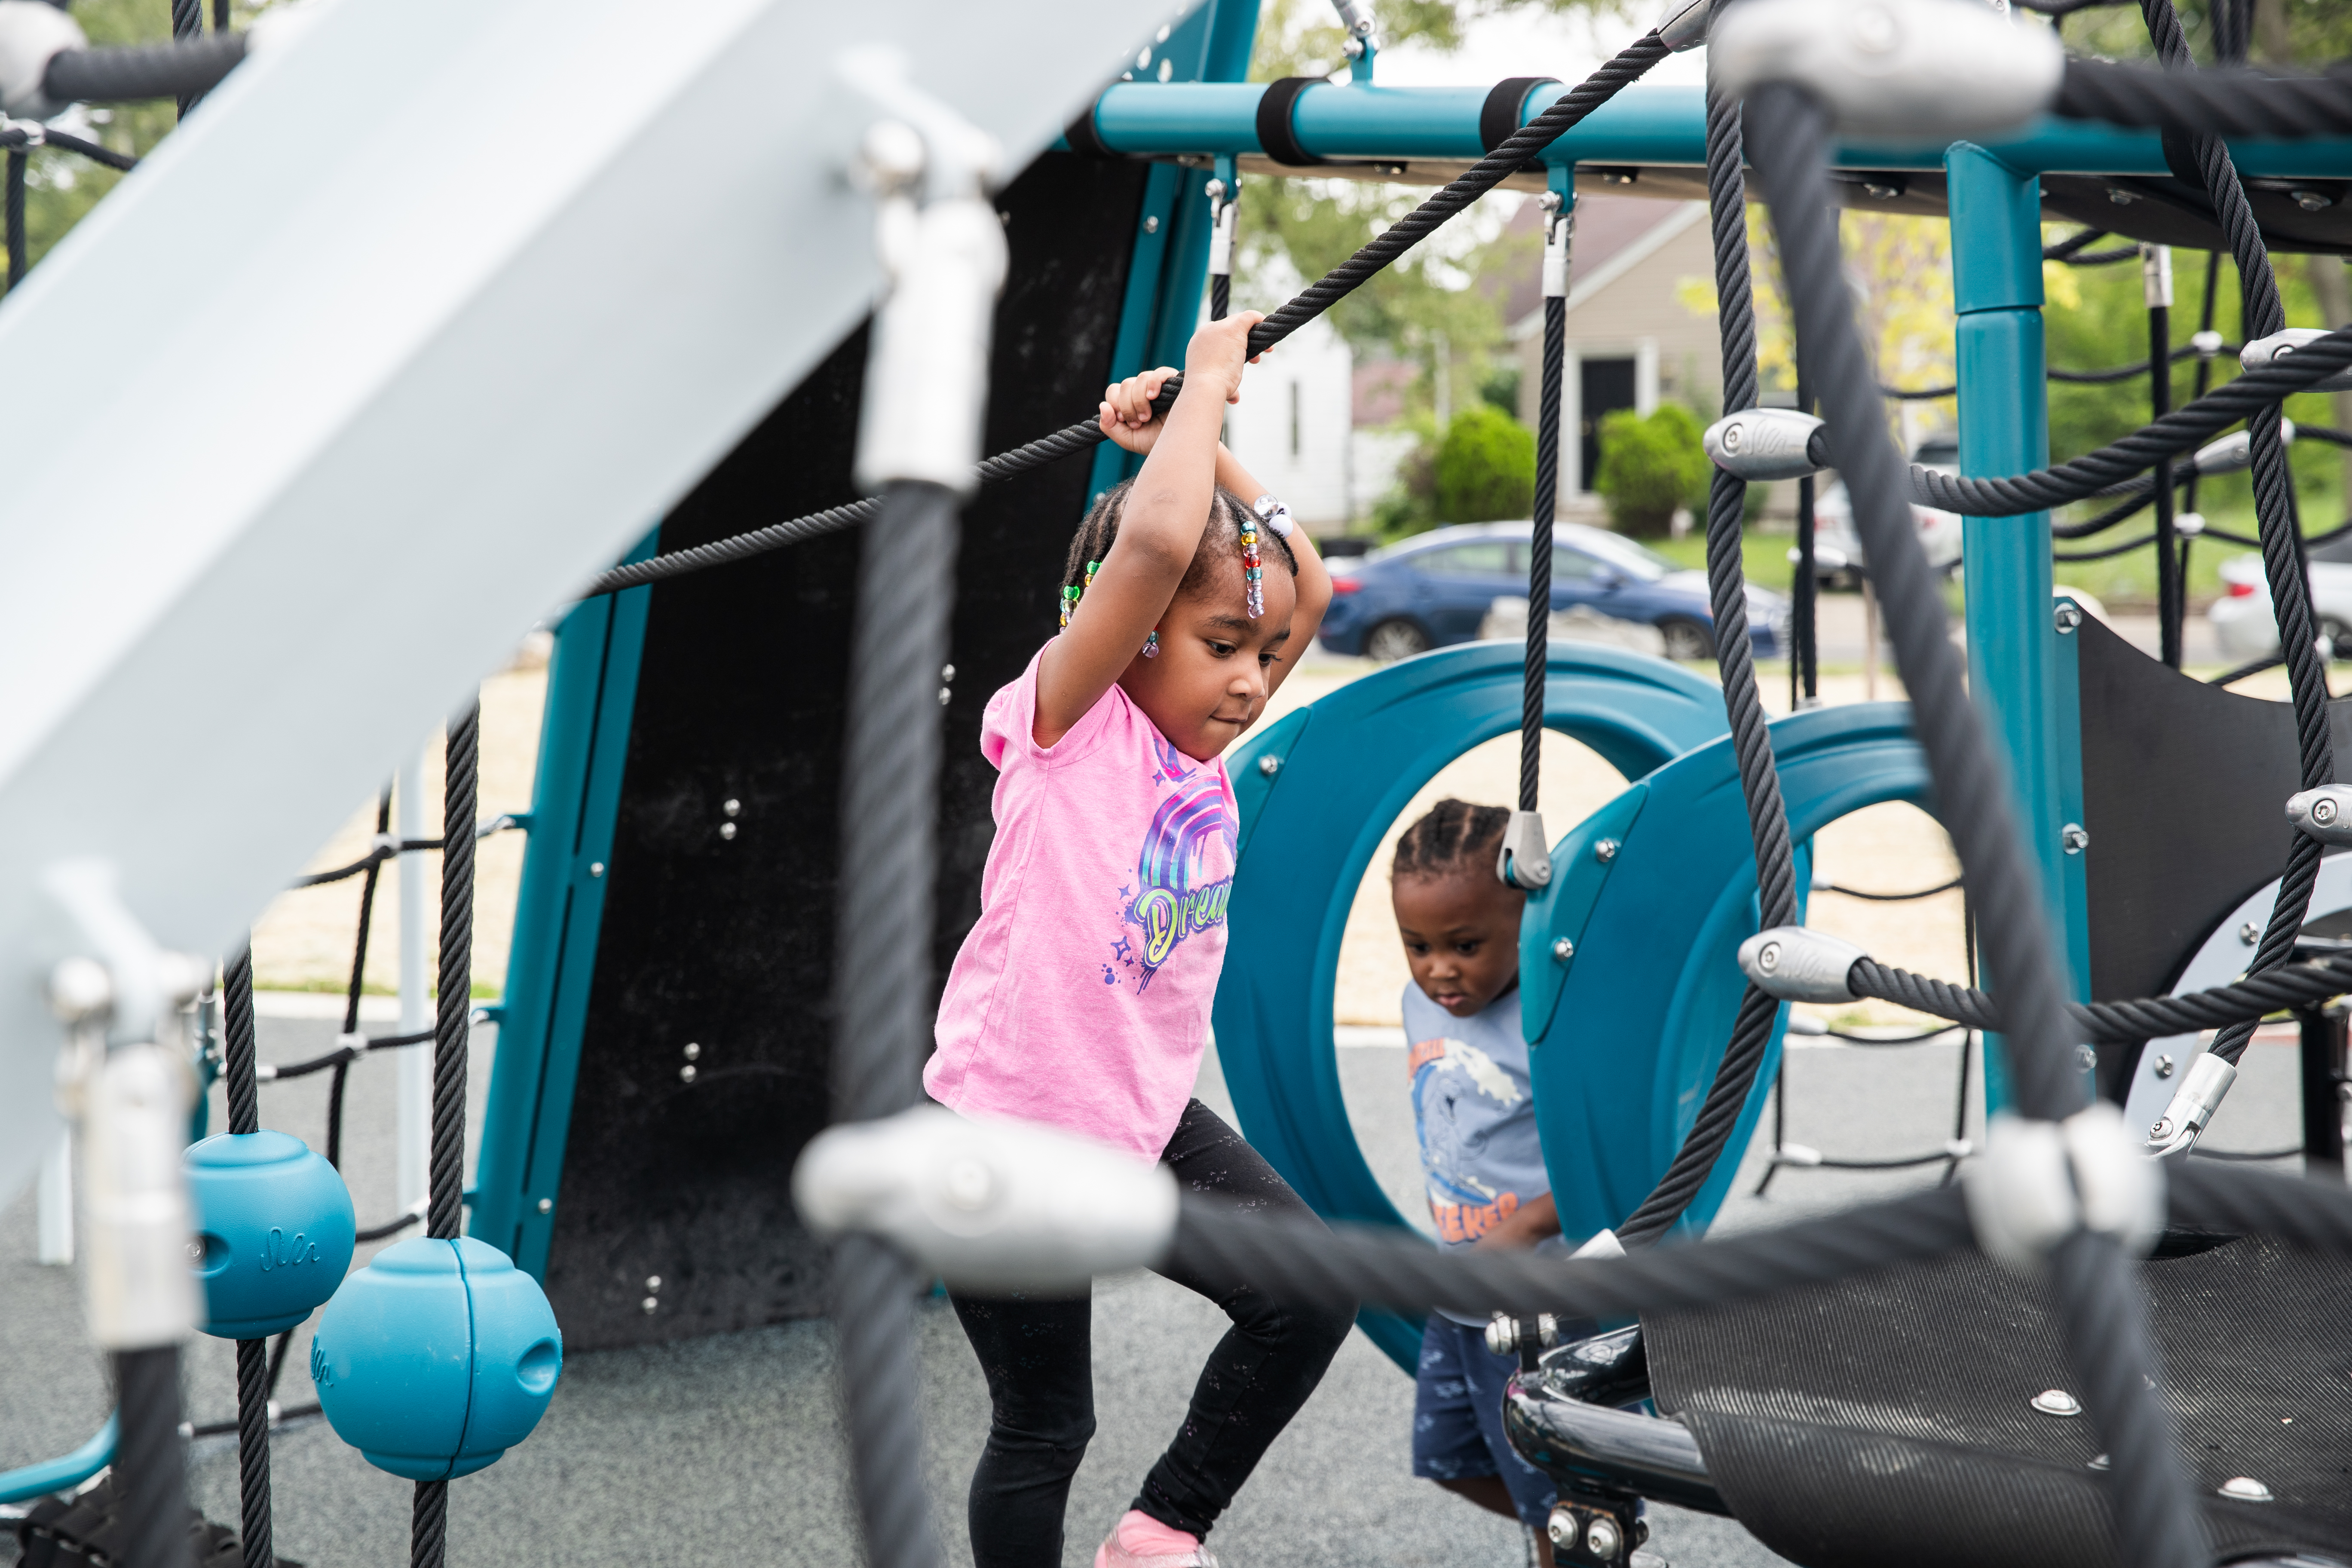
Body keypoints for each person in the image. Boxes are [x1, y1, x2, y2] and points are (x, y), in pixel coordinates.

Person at [925, 310, 1352, 1568]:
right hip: (1009, 1133)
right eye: (1225, 647)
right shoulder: (1071, 720)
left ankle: (1162, 1535)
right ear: (1132, 629)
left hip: (1137, 1118)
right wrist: (1210, 385)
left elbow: (1307, 582)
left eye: (1264, 660)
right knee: (1046, 1423)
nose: (1251, 683)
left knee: (1307, 1294)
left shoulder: (1195, 755)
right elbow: (1160, 541)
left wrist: (1197, 444)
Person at [1390, 799, 1564, 1563]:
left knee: (1556, 1472)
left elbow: (1621, 1159)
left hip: (1546, 1302)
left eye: (1465, 944)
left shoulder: (1556, 1021)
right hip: (1460, 1291)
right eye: (1417, 945)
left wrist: (1528, 1226)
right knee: (1449, 1459)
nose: (1439, 969)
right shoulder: (1414, 1005)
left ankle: (1574, 1530)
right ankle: (1562, 1524)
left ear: (1524, 920)